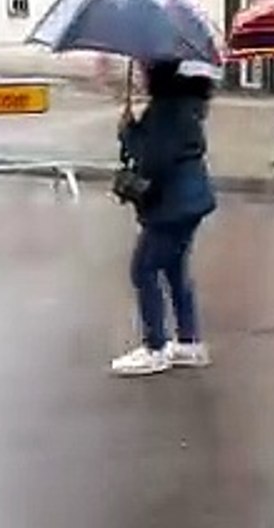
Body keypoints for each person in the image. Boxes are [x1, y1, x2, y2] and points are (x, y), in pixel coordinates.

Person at [110, 60, 218, 377]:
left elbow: (152, 159)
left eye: (146, 70)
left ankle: (154, 347)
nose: (142, 75)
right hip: (190, 200)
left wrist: (129, 132)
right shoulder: (187, 105)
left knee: (143, 269)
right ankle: (189, 341)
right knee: (173, 267)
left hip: (173, 204)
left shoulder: (166, 110)